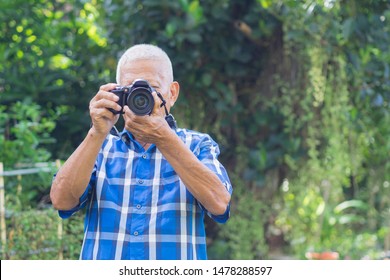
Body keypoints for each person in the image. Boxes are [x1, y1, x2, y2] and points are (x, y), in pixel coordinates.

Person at [50, 44, 232, 260]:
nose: (141, 98)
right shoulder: (100, 147)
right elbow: (61, 201)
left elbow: (219, 204)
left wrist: (164, 138)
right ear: (117, 95)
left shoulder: (198, 145)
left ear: (172, 93)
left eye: (152, 89)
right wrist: (96, 132)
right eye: (131, 90)